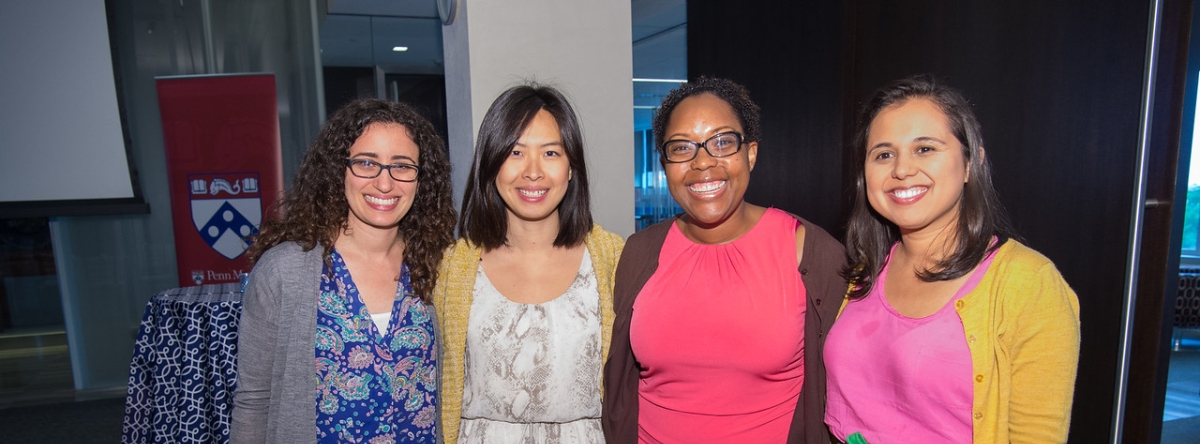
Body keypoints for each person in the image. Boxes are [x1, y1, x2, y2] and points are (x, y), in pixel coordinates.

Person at [824, 76, 1080, 443]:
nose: (901, 170)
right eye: (883, 154)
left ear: (971, 162)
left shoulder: (1029, 283)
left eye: (925, 148)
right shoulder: (864, 271)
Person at [602, 77, 847, 443]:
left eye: (722, 142)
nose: (702, 162)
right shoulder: (639, 253)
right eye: (682, 148)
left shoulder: (809, 251)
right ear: (665, 164)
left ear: (750, 153)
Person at [231, 99, 457, 443]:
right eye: (366, 163)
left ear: (421, 179)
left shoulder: (438, 266)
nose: (385, 183)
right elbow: (254, 400)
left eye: (402, 166)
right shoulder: (284, 271)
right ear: (339, 170)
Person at [433, 84, 624, 444]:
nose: (533, 172)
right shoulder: (451, 269)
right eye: (515, 152)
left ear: (571, 168)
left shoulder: (614, 260)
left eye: (551, 152)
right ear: (491, 165)